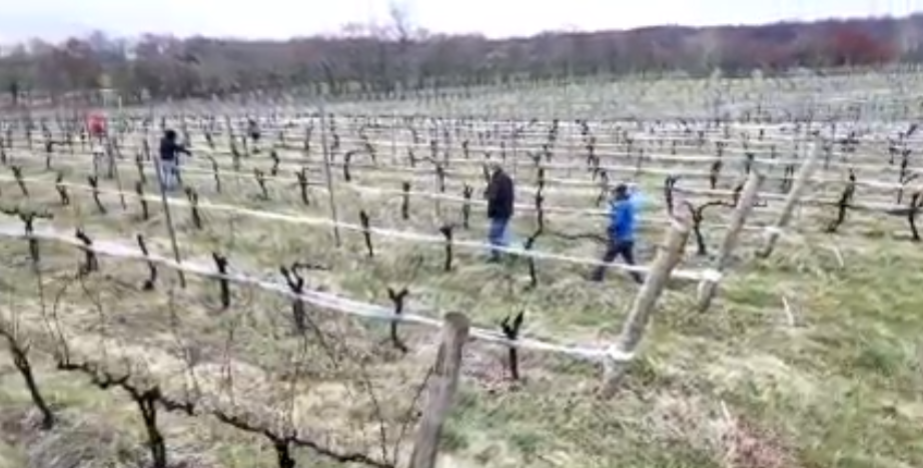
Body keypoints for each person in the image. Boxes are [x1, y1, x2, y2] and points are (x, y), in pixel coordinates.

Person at [591, 183, 644, 284]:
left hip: (620, 238)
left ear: (620, 193)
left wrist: (610, 228)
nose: (614, 195)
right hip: (629, 238)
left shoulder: (622, 205)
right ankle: (639, 281)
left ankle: (596, 278)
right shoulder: (629, 204)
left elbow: (618, 221)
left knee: (607, 258)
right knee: (630, 262)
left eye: (615, 193)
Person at [485, 163, 515, 262]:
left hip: (499, 211)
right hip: (505, 210)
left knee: (494, 234)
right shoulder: (505, 178)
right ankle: (508, 253)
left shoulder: (498, 180)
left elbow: (492, 195)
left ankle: (497, 256)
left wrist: (487, 195)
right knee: (502, 233)